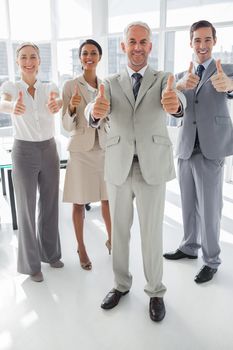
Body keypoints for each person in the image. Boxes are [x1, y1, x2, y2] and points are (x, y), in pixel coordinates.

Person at [88, 22, 186, 322]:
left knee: (151, 234)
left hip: (151, 166)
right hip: (118, 166)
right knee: (118, 234)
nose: (138, 47)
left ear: (151, 46)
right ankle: (120, 285)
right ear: (123, 46)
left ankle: (155, 291)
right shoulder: (110, 80)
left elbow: (177, 101)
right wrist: (94, 112)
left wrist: (177, 107)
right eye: (132, 41)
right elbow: (97, 106)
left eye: (143, 41)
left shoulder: (163, 79)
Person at [163, 20, 233, 284]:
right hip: (186, 146)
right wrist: (179, 86)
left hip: (211, 148)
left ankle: (211, 259)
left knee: (210, 208)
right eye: (197, 40)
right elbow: (174, 106)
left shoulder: (225, 69)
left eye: (207, 40)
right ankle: (189, 246)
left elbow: (230, 87)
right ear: (190, 43)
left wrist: (230, 85)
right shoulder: (184, 74)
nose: (202, 45)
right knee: (188, 203)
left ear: (214, 41)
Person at [0, 42, 64, 282]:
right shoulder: (11, 86)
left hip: (49, 150)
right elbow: (2, 100)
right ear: (18, 62)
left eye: (33, 57)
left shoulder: (50, 87)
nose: (29, 61)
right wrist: (11, 106)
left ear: (39, 61)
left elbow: (57, 100)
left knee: (49, 204)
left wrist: (57, 103)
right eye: (24, 57)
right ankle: (31, 265)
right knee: (26, 209)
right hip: (23, 152)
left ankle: (51, 254)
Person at [62, 39, 111, 271]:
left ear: (99, 57)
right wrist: (72, 108)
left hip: (104, 148)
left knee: (108, 199)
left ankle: (113, 240)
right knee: (79, 203)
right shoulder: (70, 85)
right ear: (80, 58)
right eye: (84, 53)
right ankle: (81, 248)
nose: (89, 56)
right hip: (81, 151)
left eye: (93, 52)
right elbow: (65, 125)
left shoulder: (107, 84)